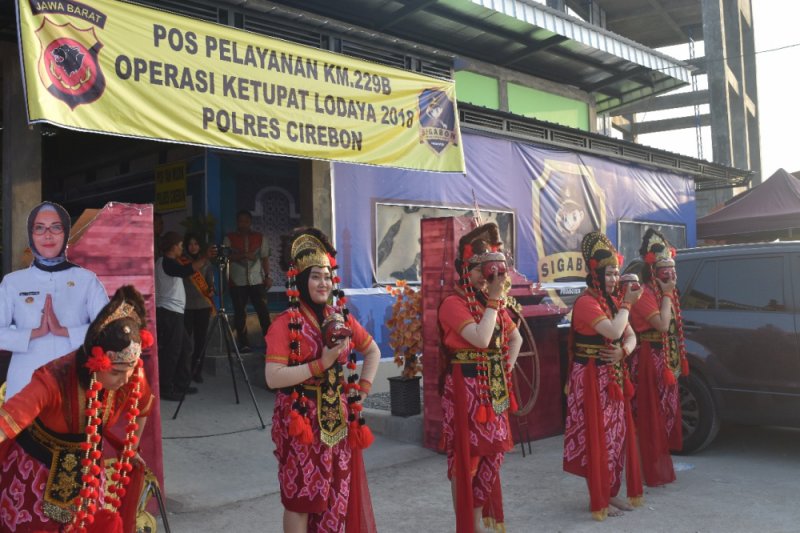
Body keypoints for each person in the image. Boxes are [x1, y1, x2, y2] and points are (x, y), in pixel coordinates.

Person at [0, 285, 155, 532]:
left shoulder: (130, 371)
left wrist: (131, 447)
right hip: (36, 470)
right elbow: (10, 418)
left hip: (89, 468)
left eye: (129, 370)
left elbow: (144, 405)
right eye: (116, 372)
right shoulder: (53, 378)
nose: (125, 379)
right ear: (95, 363)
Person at [265, 227, 379, 533]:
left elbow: (372, 351)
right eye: (316, 276)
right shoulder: (285, 325)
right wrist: (322, 363)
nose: (324, 283)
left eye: (328, 276)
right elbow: (273, 377)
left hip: (336, 420)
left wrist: (362, 392)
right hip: (300, 420)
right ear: (301, 280)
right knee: (301, 499)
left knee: (335, 496)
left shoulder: (340, 318)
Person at [437, 222, 523, 533]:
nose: (487, 277)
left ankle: (472, 522)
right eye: (480, 270)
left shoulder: (493, 305)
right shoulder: (452, 304)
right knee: (467, 462)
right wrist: (494, 301)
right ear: (466, 271)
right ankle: (467, 526)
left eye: (491, 270)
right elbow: (481, 339)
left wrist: (506, 368)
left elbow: (516, 340)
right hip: (465, 390)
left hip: (493, 390)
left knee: (494, 455)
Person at [563, 231, 643, 521]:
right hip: (591, 379)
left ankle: (609, 492)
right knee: (595, 438)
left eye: (617, 274)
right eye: (609, 274)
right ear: (596, 273)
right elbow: (612, 331)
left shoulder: (612, 302)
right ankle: (597, 498)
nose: (614, 279)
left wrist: (624, 353)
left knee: (614, 437)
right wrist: (627, 305)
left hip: (613, 377)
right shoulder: (586, 303)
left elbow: (630, 336)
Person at [0, 201, 108, 400]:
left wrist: (65, 331)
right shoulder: (13, 282)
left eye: (55, 227)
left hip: (75, 381)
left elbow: (108, 328)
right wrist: (33, 333)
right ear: (31, 235)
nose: (47, 235)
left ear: (66, 232)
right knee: (24, 430)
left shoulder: (86, 279)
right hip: (25, 383)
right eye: (39, 228)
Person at [629, 229, 688, 486]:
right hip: (647, 360)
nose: (670, 276)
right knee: (649, 417)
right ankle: (647, 469)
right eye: (665, 271)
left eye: (672, 271)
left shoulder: (660, 292)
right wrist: (666, 294)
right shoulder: (643, 294)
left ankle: (654, 464)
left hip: (661, 358)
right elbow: (663, 325)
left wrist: (667, 294)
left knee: (663, 415)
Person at [155, 231, 214, 400]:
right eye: (180, 245)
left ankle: (181, 384)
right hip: (169, 312)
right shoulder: (166, 262)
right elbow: (185, 270)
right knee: (172, 351)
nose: (182, 248)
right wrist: (205, 258)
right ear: (173, 247)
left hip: (174, 311)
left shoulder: (166, 262)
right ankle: (166, 388)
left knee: (185, 347)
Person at [224, 209, 272, 353]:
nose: (243, 224)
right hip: (237, 281)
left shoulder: (260, 237)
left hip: (257, 280)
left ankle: (271, 343)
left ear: (250, 222)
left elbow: (265, 258)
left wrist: (268, 276)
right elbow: (225, 257)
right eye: (240, 221)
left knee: (263, 312)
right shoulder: (229, 238)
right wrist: (243, 255)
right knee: (240, 313)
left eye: (246, 221)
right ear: (237, 222)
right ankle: (244, 344)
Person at [182, 233, 216, 383]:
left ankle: (197, 371)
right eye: (190, 244)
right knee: (185, 341)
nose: (193, 247)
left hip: (202, 306)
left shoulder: (207, 264)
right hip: (186, 306)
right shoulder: (181, 262)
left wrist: (211, 289)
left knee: (200, 341)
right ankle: (184, 371)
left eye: (196, 244)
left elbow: (210, 283)